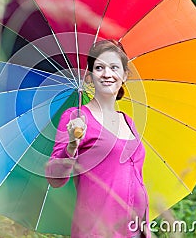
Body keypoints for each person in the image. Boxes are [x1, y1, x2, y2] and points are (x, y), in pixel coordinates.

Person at [45, 40, 150, 238]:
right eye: (99, 67)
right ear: (90, 76)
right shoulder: (76, 117)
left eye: (114, 67)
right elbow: (54, 178)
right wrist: (71, 146)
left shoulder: (128, 121)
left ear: (125, 75)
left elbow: (136, 179)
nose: (107, 74)